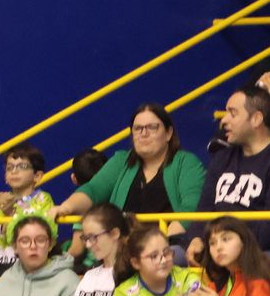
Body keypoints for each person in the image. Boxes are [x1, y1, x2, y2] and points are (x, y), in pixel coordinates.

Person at [189, 86, 270, 262]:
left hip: (263, 252)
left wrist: (228, 246)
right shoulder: (221, 159)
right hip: (217, 247)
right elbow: (204, 210)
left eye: (232, 113)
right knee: (173, 256)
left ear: (256, 119)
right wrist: (196, 240)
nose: (223, 120)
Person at [52, 103, 206, 243]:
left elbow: (191, 208)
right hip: (120, 249)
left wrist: (154, 244)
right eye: (138, 128)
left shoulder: (187, 163)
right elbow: (93, 190)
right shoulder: (121, 161)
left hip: (167, 247)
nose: (143, 133)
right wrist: (66, 207)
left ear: (168, 133)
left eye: (152, 127)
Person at [0, 143, 55, 273]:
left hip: (26, 269)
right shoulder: (2, 199)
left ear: (37, 176)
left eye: (22, 167)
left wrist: (9, 214)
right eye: (9, 168)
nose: (14, 171)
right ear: (5, 177)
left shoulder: (43, 200)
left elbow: (32, 236)